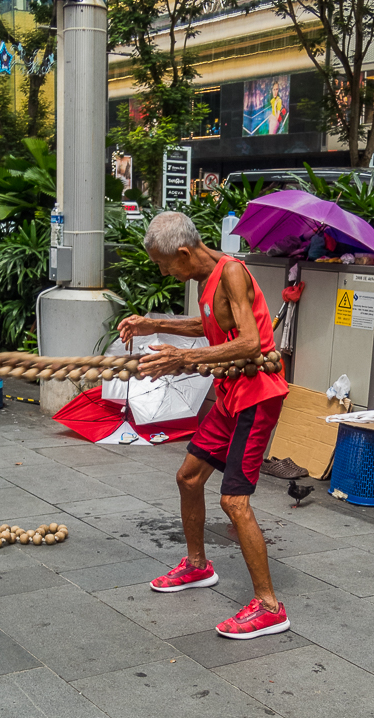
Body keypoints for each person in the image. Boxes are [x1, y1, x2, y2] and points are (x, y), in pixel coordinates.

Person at [118, 211, 291, 639]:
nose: (164, 272)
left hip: (257, 396)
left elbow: (249, 341)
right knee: (189, 477)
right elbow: (215, 325)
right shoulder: (206, 278)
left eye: (164, 264)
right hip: (233, 393)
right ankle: (198, 565)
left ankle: (270, 607)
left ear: (182, 252)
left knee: (234, 502)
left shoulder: (232, 272)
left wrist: (185, 359)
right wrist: (152, 323)